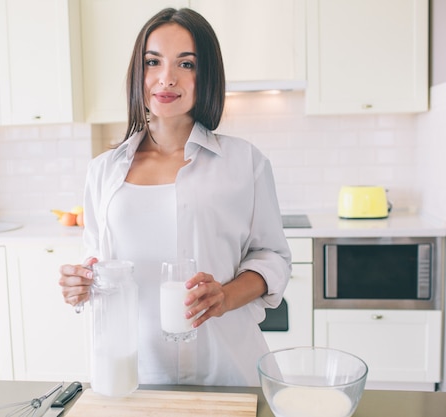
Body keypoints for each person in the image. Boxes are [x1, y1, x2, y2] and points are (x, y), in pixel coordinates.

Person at [59, 7, 291, 386]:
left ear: (207, 76)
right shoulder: (102, 171)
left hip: (227, 367)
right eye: (154, 62)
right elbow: (96, 262)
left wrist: (226, 296)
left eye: (186, 64)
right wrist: (79, 285)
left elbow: (273, 258)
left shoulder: (244, 162)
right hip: (131, 373)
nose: (166, 78)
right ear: (140, 72)